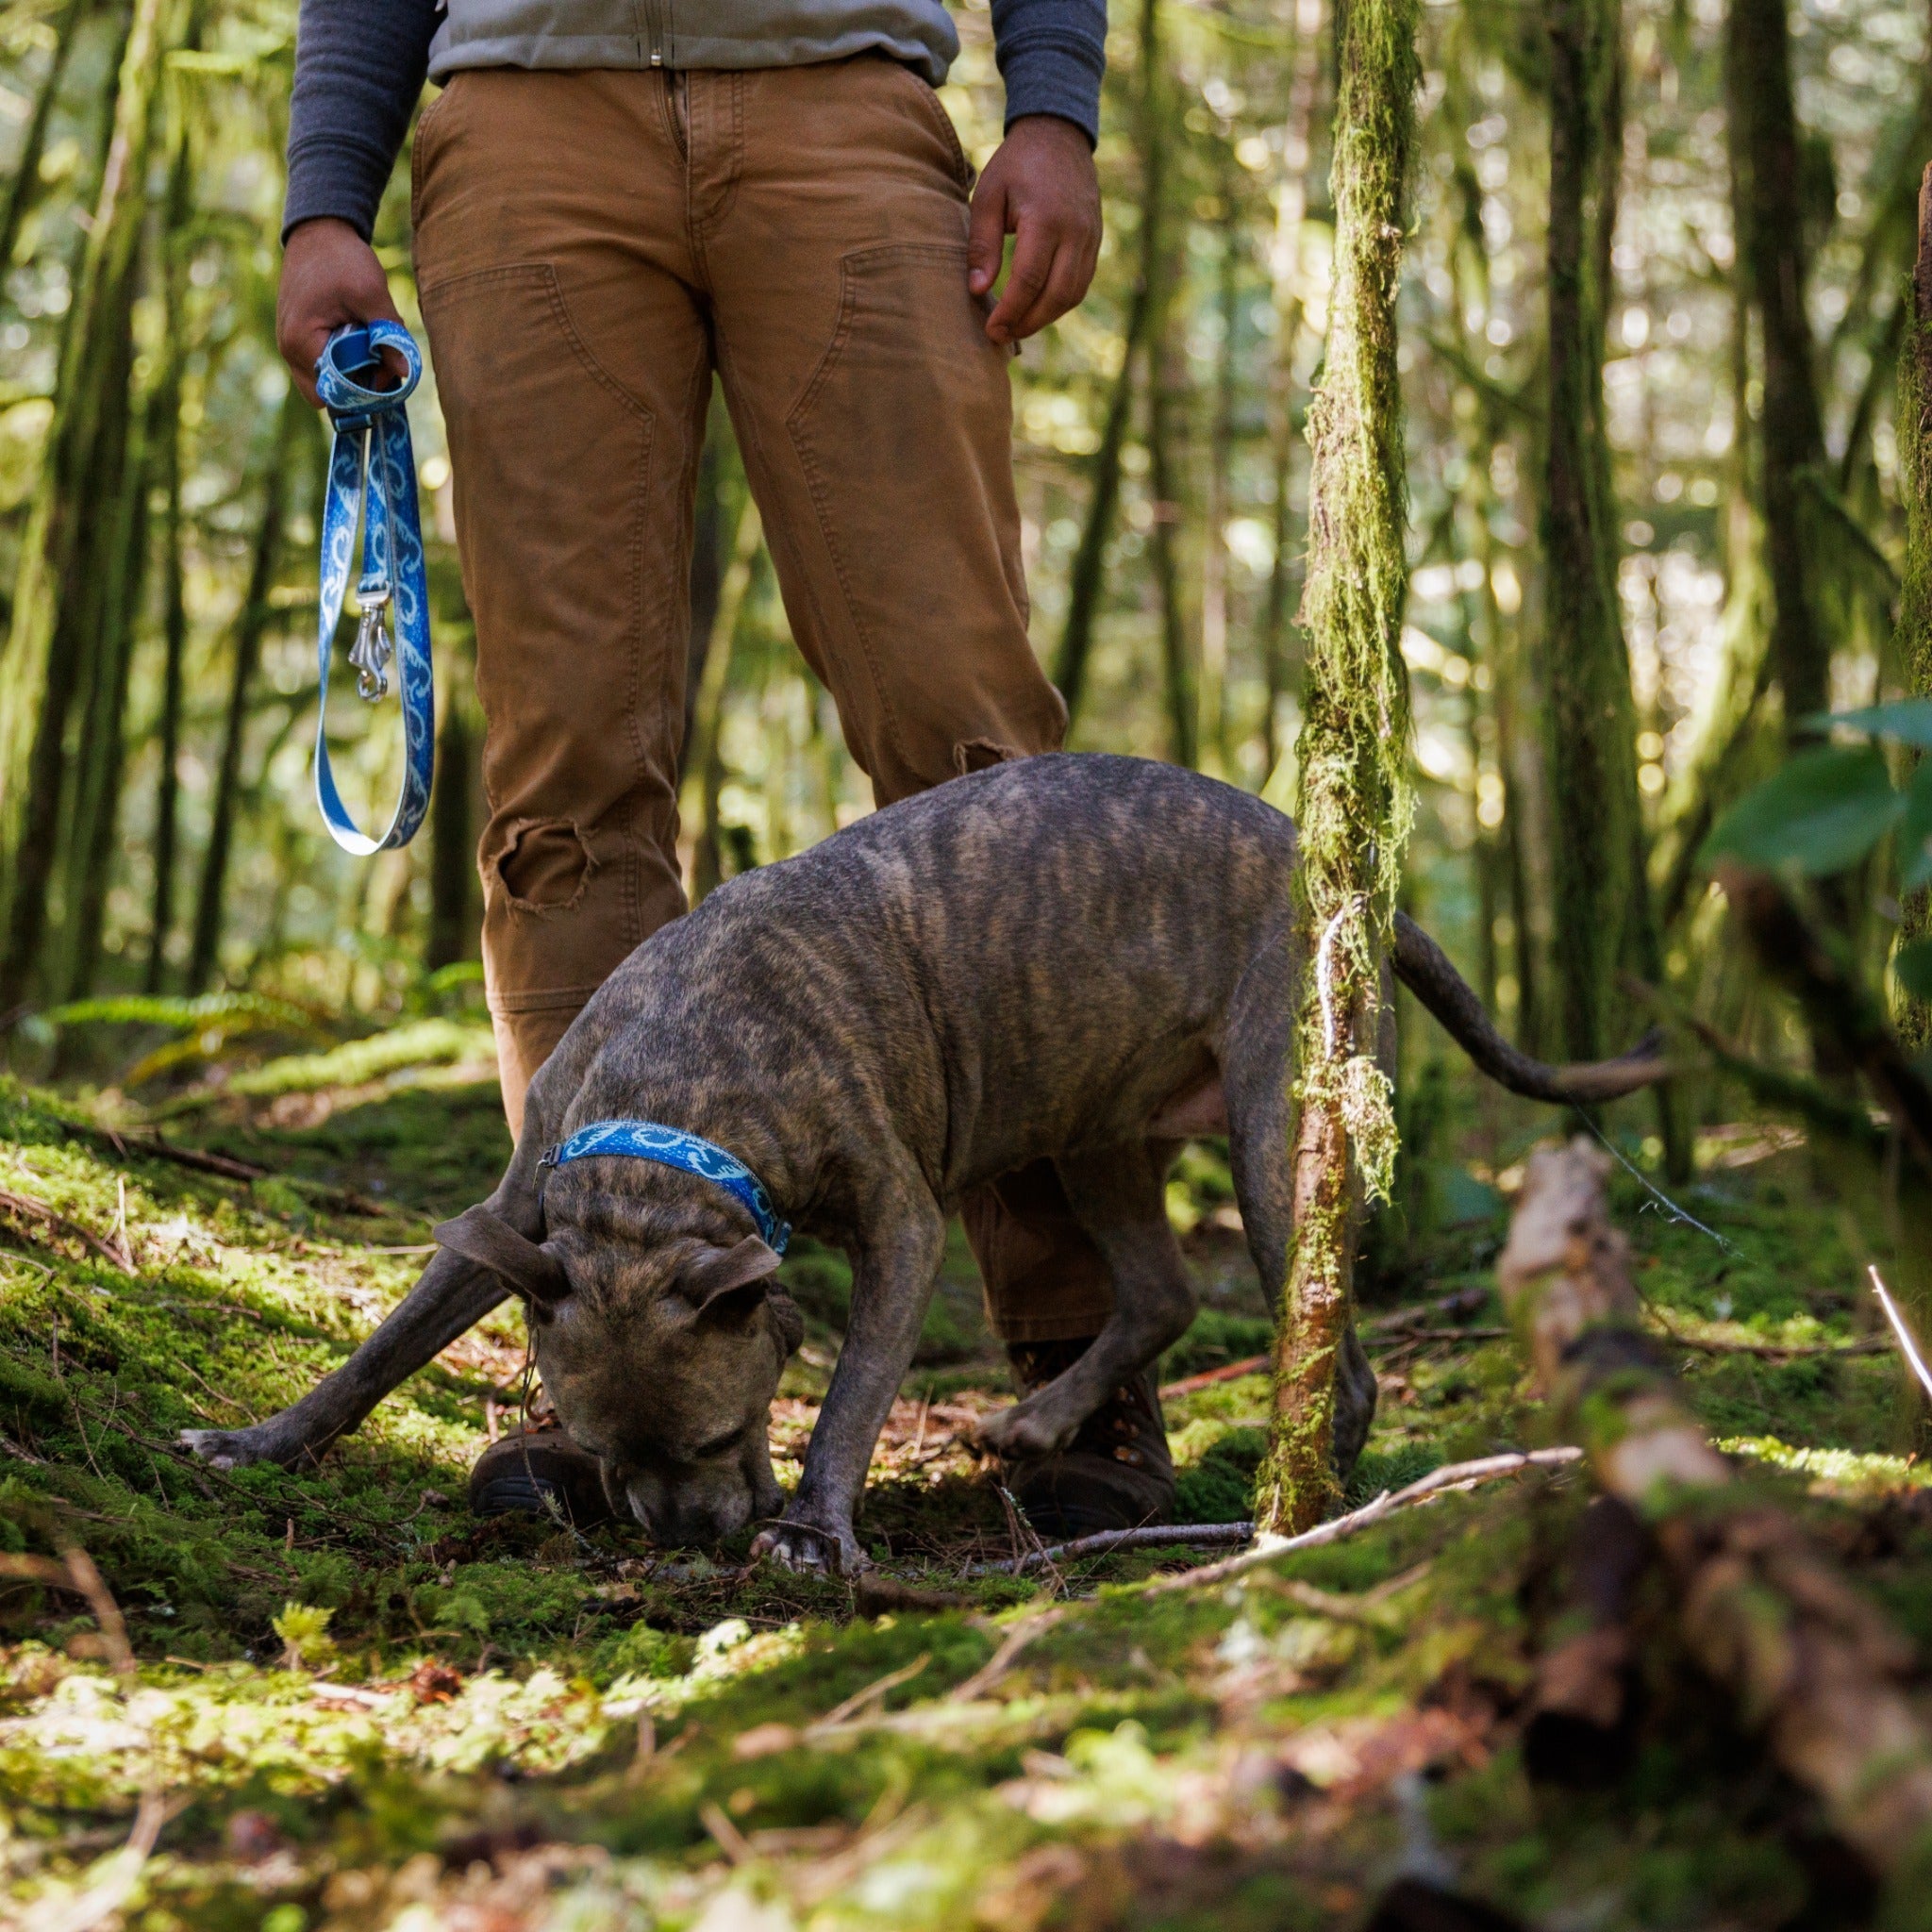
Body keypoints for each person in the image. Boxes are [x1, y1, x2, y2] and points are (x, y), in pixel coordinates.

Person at [275, 0, 1175, 1541]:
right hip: (522, 122)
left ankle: (1081, 1374)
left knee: (975, 750)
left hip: (846, 105)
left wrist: (1055, 107)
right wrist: (321, 198)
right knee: (567, 783)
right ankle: (604, 1367)